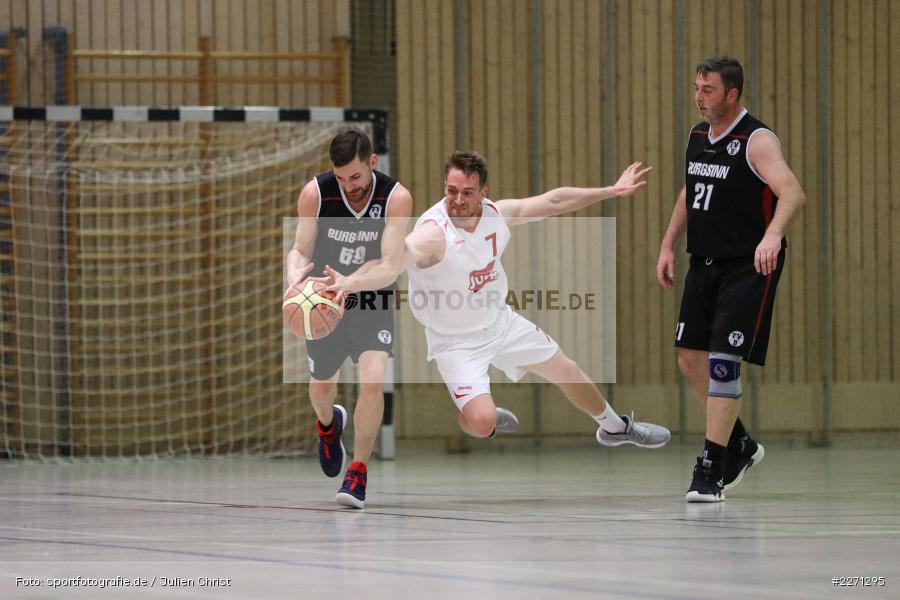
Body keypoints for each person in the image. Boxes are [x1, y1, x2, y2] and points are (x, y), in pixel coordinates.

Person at [321, 151, 670, 458]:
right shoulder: (433, 233)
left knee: (567, 370)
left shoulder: (496, 214)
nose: (457, 199)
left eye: (467, 193)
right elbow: (389, 264)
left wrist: (610, 190)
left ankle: (614, 426)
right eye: (451, 190)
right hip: (455, 343)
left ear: (483, 193)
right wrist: (349, 284)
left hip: (500, 323)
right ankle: (483, 413)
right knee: (481, 420)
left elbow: (553, 202)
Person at [656, 56, 806, 502]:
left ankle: (711, 466)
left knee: (723, 361)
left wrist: (773, 236)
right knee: (690, 360)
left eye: (708, 90)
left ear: (732, 94)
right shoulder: (698, 135)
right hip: (704, 263)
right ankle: (739, 445)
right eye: (697, 87)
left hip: (748, 265)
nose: (699, 96)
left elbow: (793, 192)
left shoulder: (756, 140)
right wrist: (667, 243)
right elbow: (690, 189)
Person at [284, 127, 413, 509]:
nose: (349, 185)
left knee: (373, 382)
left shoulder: (395, 197)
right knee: (322, 391)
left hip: (370, 296)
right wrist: (293, 275)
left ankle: (357, 471)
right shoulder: (315, 193)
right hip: (324, 298)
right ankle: (328, 425)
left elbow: (390, 266)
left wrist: (352, 283)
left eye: (355, 176)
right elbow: (299, 248)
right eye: (341, 178)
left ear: (372, 163)